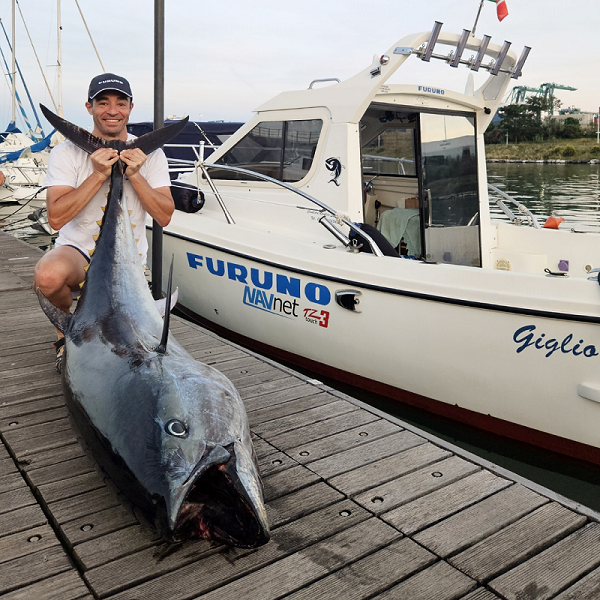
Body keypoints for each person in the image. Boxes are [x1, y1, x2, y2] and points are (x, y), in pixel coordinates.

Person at [33, 73, 174, 372]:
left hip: (129, 258)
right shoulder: (66, 152)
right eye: (103, 103)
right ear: (89, 107)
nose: (112, 110)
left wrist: (134, 174)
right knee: (47, 276)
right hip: (78, 250)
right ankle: (64, 338)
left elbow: (164, 215)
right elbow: (56, 218)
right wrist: (98, 174)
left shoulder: (152, 155)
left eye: (120, 103)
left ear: (130, 108)